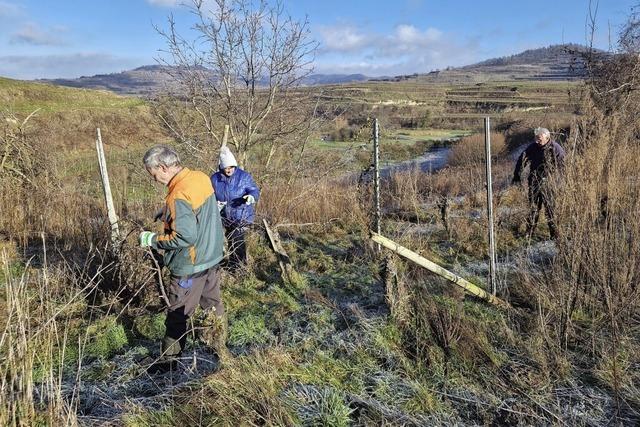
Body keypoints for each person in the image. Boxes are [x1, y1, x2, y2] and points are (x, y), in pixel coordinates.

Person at [139, 145, 229, 373]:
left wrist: (153, 240)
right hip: (212, 256)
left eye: (153, 174)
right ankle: (218, 348)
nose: (154, 179)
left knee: (178, 314)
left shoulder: (178, 194)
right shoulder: (199, 178)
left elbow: (185, 236)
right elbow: (199, 213)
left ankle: (168, 364)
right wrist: (169, 215)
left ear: (163, 167)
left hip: (190, 265)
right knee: (213, 306)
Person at [210, 146, 260, 271]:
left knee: (237, 240)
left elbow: (254, 190)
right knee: (220, 239)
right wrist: (214, 203)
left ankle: (238, 268)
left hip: (241, 214)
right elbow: (209, 194)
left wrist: (251, 197)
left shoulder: (244, 177)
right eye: (226, 168)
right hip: (222, 216)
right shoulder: (215, 178)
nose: (228, 170)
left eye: (231, 167)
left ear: (235, 166)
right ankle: (219, 264)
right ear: (221, 167)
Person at [512, 127, 565, 239]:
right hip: (534, 181)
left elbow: (563, 168)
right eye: (536, 138)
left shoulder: (556, 149)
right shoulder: (533, 147)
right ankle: (529, 233)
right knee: (533, 208)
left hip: (550, 183)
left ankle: (554, 234)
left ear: (547, 138)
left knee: (550, 209)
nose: (537, 141)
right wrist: (517, 175)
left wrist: (559, 182)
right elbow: (522, 159)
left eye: (539, 139)